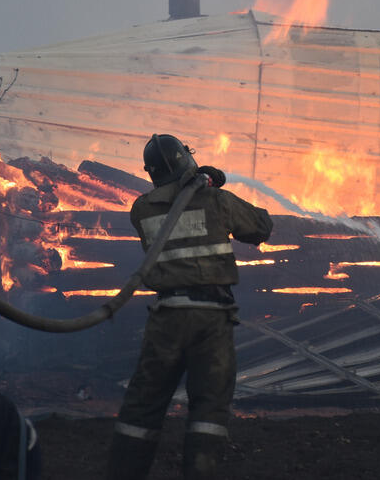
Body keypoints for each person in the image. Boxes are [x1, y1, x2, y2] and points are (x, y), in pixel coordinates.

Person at [106, 134, 273, 480]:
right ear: (186, 159)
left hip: (166, 319)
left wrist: (197, 183)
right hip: (211, 321)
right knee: (208, 412)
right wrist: (209, 184)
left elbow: (172, 207)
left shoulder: (141, 210)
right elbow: (260, 227)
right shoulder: (214, 200)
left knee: (142, 408)